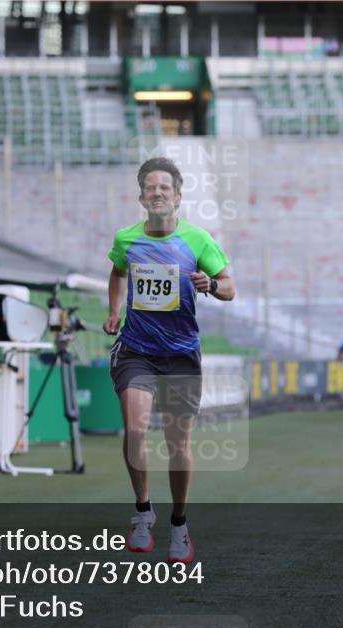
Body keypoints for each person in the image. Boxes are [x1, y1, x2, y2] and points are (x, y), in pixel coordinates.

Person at [103, 157, 235, 564]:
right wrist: (113, 311)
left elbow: (230, 287)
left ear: (177, 197)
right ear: (142, 197)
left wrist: (210, 284)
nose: (157, 192)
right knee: (135, 429)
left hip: (180, 355)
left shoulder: (197, 240)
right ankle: (143, 512)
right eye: (150, 187)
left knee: (178, 444)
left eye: (165, 187)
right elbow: (117, 272)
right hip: (136, 351)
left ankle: (179, 523)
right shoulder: (127, 239)